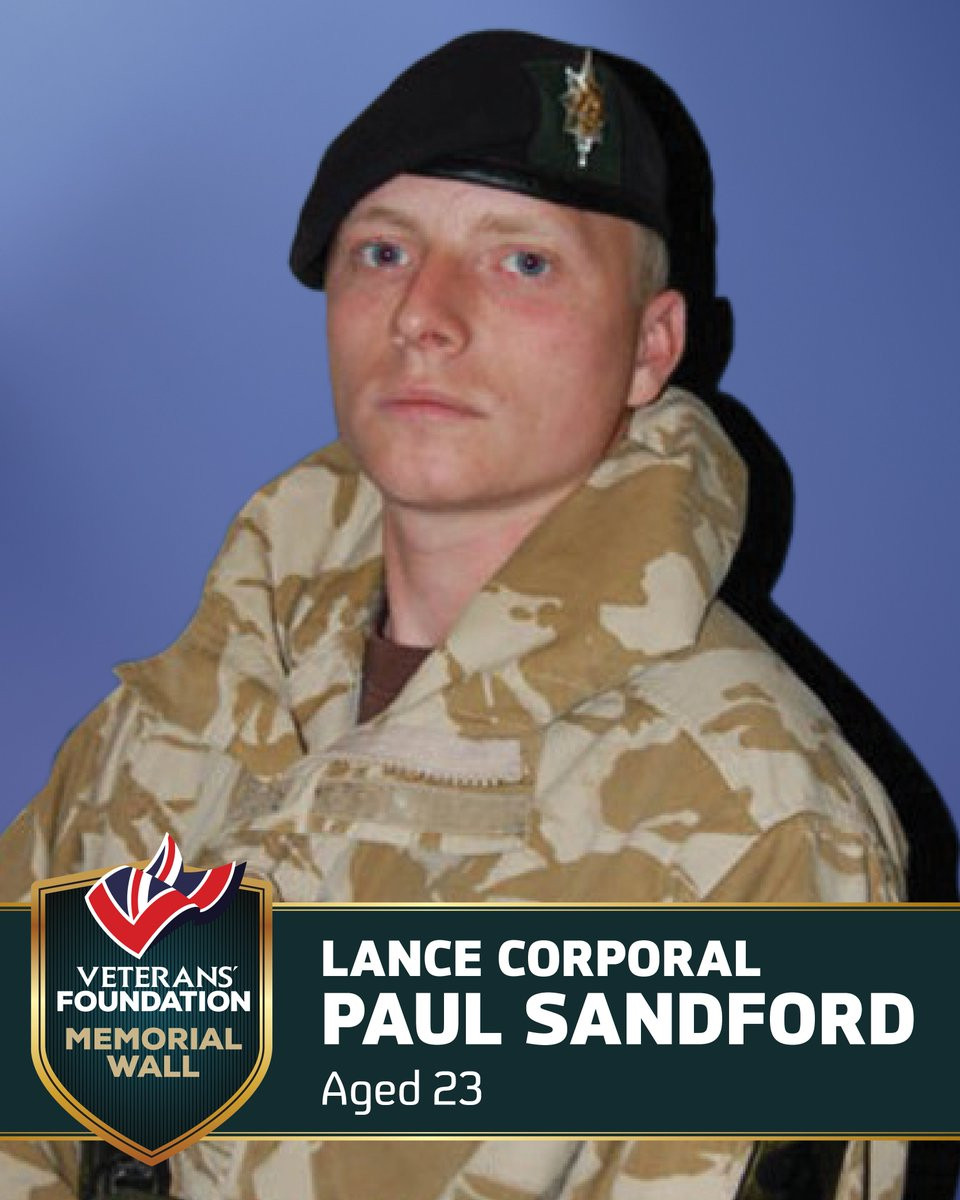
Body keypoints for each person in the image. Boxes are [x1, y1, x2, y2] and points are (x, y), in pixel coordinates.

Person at [0, 30, 908, 1200]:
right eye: (383, 251)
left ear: (651, 347)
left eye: (522, 262)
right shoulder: (170, 728)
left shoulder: (766, 819)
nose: (424, 314)